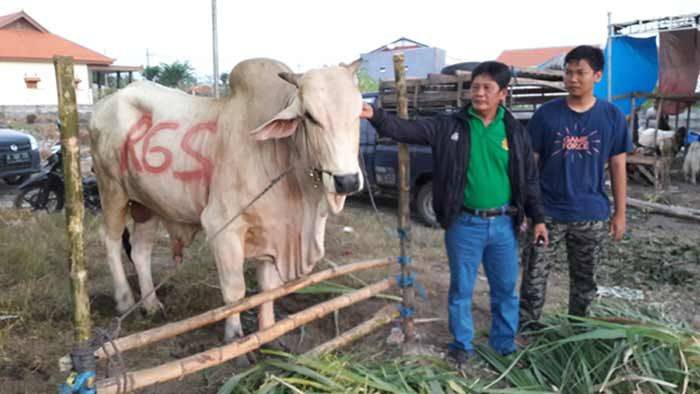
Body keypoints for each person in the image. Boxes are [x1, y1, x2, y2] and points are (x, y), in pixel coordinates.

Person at [360, 61, 547, 364]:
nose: (480, 93)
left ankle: (504, 344)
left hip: (502, 224)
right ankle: (462, 345)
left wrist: (538, 218)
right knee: (461, 289)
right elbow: (407, 130)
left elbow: (529, 180)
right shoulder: (450, 125)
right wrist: (376, 116)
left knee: (505, 290)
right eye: (475, 87)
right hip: (464, 223)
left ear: (503, 93)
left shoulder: (514, 132)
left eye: (488, 88)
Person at [519, 45, 633, 331]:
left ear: (597, 75)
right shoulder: (546, 115)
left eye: (580, 73)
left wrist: (620, 213)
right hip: (547, 216)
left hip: (590, 215)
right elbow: (530, 167)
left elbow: (619, 167)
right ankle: (526, 333)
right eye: (568, 73)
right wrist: (526, 209)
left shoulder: (612, 117)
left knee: (585, 283)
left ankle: (577, 334)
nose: (572, 79)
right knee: (534, 278)